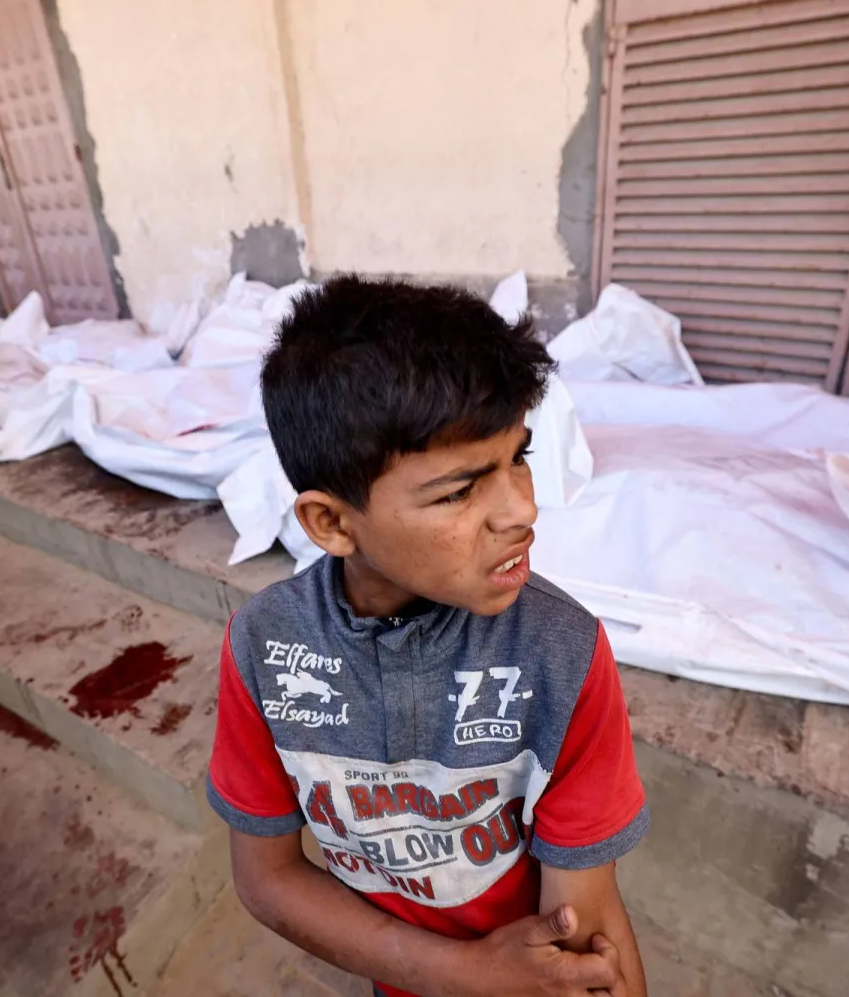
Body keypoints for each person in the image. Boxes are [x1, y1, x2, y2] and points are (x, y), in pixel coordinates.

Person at [207, 277, 650, 997]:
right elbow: (268, 876)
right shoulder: (266, 648)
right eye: (457, 491)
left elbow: (581, 938)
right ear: (332, 524)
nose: (522, 511)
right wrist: (458, 974)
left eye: (519, 459)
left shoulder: (561, 656)